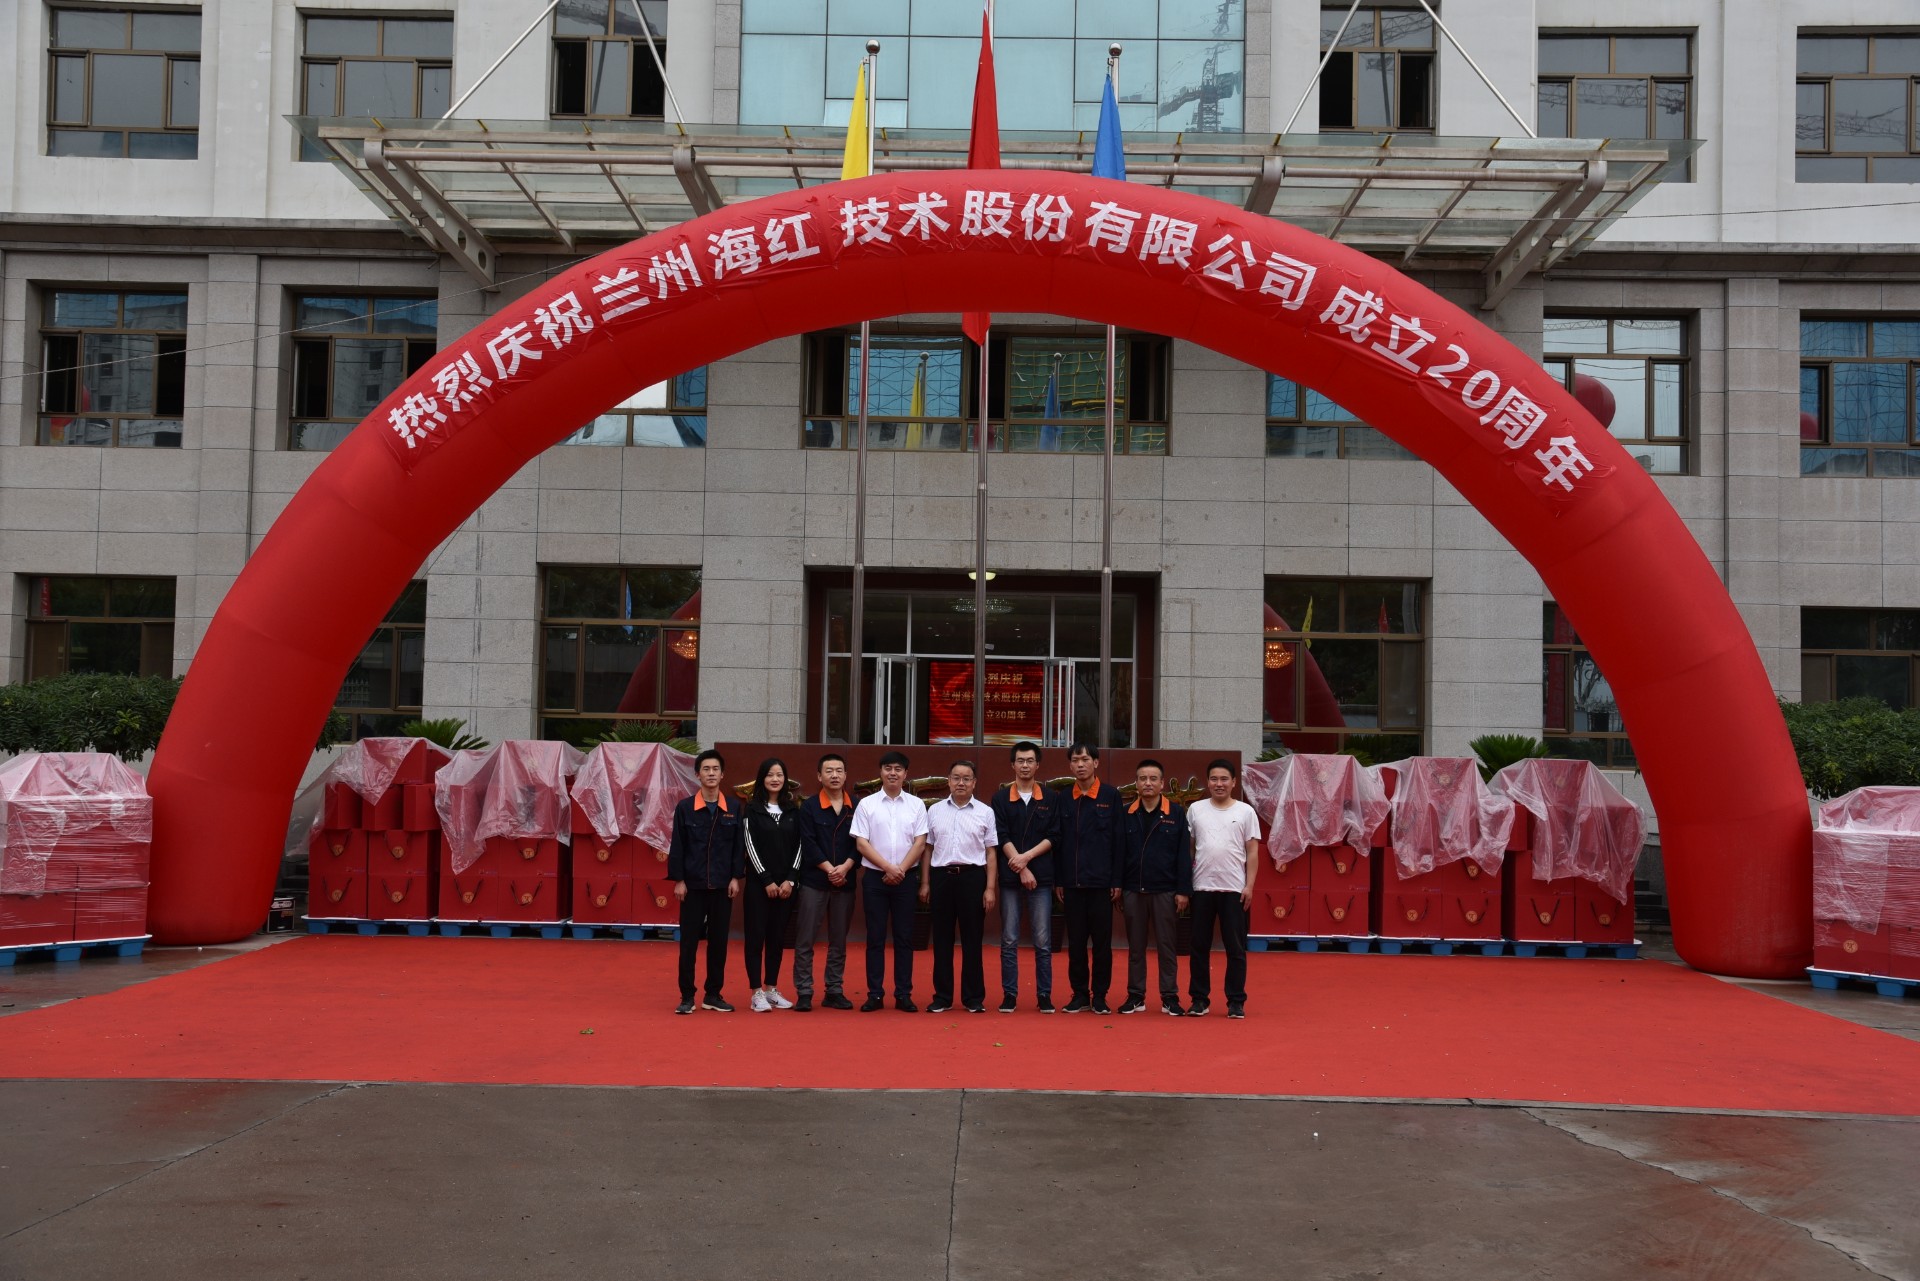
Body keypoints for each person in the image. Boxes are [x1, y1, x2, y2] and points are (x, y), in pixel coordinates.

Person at [851, 750, 929, 1012]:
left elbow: (920, 842)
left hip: (906, 879)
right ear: (881, 772)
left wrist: (900, 870)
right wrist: (888, 868)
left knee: (904, 937)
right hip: (875, 878)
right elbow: (861, 843)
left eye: (898, 769)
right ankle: (875, 994)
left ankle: (903, 994)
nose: (892, 773)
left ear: (906, 774)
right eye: (888, 768)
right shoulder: (867, 804)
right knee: (875, 937)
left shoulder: (916, 805)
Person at [668, 749, 743, 1015]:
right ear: (697, 775)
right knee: (688, 943)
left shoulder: (733, 807)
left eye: (715, 769)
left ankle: (713, 994)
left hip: (722, 886)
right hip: (693, 886)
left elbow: (738, 847)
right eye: (706, 769)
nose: (711, 774)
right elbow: (678, 846)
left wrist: (735, 877)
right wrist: (679, 880)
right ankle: (687, 996)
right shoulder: (685, 807)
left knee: (718, 943)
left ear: (722, 775)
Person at [920, 759, 999, 1014]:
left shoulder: (985, 812)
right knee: (942, 940)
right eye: (956, 778)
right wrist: (925, 882)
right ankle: (942, 997)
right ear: (948, 781)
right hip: (941, 878)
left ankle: (973, 997)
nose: (961, 783)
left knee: (972, 940)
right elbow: (927, 849)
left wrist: (989, 888)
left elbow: (991, 853)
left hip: (972, 878)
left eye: (966, 778)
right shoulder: (934, 811)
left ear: (974, 783)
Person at [1186, 758, 1261, 1019]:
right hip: (1201, 888)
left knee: (1235, 948)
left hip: (1234, 889)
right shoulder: (1195, 809)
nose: (1219, 784)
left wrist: (1249, 886)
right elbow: (1190, 849)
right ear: (1207, 782)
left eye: (1224, 779)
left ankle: (1236, 1001)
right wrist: (1186, 883)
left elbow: (1253, 852)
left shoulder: (1245, 812)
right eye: (1214, 779)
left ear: (1234, 782)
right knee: (1198, 947)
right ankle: (1199, 999)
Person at [1119, 758, 1192, 1016]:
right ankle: (1135, 996)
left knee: (1167, 947)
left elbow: (1184, 855)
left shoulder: (1176, 813)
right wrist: (1118, 886)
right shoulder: (1126, 813)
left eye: (1153, 779)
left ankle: (1170, 997)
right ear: (1136, 783)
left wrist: (1183, 890)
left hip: (1165, 891)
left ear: (1162, 784)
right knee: (1135, 948)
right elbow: (1119, 853)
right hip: (1133, 890)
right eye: (1142, 779)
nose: (1147, 783)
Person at [1053, 741, 1120, 1015]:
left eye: (1085, 759)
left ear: (1096, 763)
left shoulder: (1110, 795)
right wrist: (1060, 880)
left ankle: (1100, 996)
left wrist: (1116, 880)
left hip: (1102, 885)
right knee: (1076, 943)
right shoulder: (1063, 798)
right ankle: (1080, 994)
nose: (1080, 764)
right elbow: (1058, 842)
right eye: (1075, 760)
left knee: (1102, 945)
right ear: (1070, 766)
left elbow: (1118, 841)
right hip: (1072, 884)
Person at [991, 740, 1058, 1013]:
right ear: (1013, 765)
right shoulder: (1000, 798)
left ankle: (1044, 994)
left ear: (1038, 765)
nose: (1025, 765)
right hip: (1010, 878)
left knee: (1043, 940)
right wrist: (1020, 866)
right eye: (1020, 760)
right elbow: (1000, 835)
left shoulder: (1050, 798)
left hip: (1041, 878)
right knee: (1009, 939)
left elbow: (1054, 836)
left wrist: (1025, 859)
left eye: (1030, 760)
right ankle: (1009, 994)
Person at [793, 752, 859, 1011]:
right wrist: (831, 869)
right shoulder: (809, 807)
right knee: (805, 939)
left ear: (845, 775)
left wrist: (846, 867)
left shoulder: (857, 805)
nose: (834, 775)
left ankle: (834, 990)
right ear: (819, 776)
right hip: (814, 881)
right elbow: (807, 843)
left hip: (845, 881)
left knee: (839, 940)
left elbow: (862, 842)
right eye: (829, 771)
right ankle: (804, 991)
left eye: (839, 770)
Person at [741, 757, 802, 1013]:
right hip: (759, 887)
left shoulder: (793, 810)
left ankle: (771, 988)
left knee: (777, 939)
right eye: (769, 775)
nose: (775, 779)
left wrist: (790, 879)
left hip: (787, 887)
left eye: (779, 775)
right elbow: (750, 846)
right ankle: (756, 992)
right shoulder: (752, 809)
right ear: (761, 779)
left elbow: (800, 846)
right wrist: (766, 880)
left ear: (785, 779)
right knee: (756, 938)